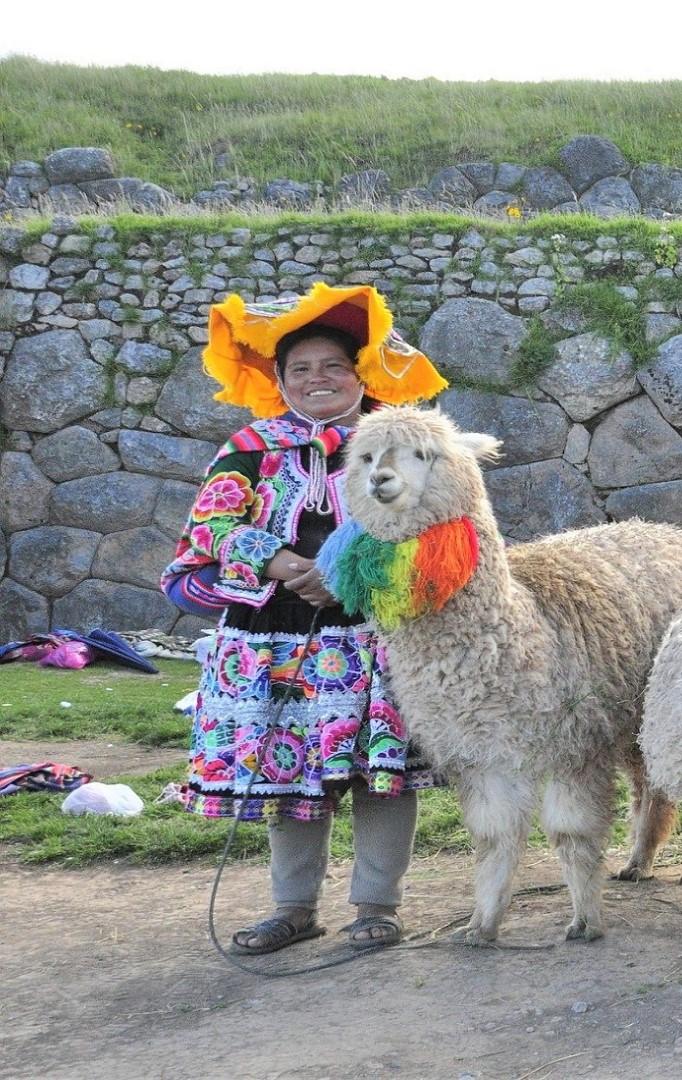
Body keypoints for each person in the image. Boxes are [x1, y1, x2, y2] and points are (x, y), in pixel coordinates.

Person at [162, 283, 449, 954]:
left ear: (359, 374)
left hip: (372, 636)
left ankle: (377, 905)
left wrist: (346, 572)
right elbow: (211, 528)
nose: (317, 380)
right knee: (284, 773)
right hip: (271, 645)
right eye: (301, 369)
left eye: (333, 367)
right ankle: (293, 908)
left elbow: (437, 526)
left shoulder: (400, 443)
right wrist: (281, 561)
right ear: (281, 380)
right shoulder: (250, 448)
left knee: (376, 775)